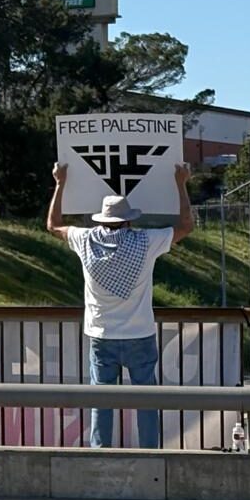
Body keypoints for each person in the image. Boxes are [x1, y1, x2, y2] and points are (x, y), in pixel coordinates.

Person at [47, 161, 194, 449]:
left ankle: (100, 453)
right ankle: (151, 453)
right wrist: (181, 182)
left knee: (101, 402)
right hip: (140, 334)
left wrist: (60, 182)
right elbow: (186, 226)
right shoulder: (145, 241)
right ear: (128, 221)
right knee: (147, 401)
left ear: (100, 220)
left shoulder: (85, 239)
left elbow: (53, 225)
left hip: (101, 336)